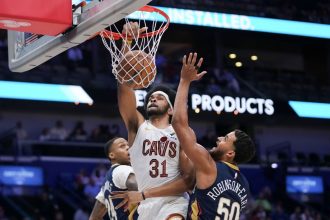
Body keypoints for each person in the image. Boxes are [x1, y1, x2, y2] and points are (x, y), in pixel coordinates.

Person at [116, 21, 194, 220]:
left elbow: (188, 181)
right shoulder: (137, 126)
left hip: (174, 202)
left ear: (170, 109)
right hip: (145, 206)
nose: (153, 98)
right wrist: (127, 42)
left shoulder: (180, 134)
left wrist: (144, 194)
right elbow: (124, 86)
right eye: (151, 97)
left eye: (159, 97)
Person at [172, 52, 255, 220]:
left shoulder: (211, 167)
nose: (218, 139)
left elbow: (178, 123)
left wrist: (184, 81)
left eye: (225, 139)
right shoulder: (244, 186)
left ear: (230, 153)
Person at [89, 137, 138, 220]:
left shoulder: (106, 184)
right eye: (122, 146)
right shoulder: (122, 169)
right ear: (112, 155)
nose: (128, 147)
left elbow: (94, 217)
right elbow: (137, 186)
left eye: (128, 145)